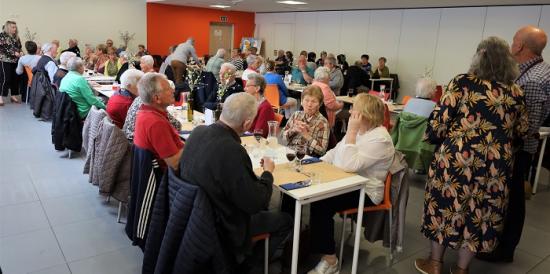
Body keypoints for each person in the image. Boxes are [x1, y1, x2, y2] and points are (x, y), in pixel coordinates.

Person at [415, 36, 528, 274]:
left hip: (457, 159)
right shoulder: (515, 92)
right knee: (481, 214)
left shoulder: (462, 83)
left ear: (478, 58)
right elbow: (522, 131)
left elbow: (439, 124)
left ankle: (435, 264)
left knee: (444, 206)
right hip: (495, 165)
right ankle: (461, 269)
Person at [179, 92, 292, 273]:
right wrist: (267, 174)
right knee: (285, 220)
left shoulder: (198, 132)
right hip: (224, 225)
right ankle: (252, 266)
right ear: (247, 123)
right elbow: (255, 203)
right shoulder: (232, 150)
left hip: (192, 215)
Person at [477, 26, 550, 263]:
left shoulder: (532, 80)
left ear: (519, 46)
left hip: (517, 152)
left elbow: (525, 128)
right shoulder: (533, 73)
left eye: (514, 40)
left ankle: (503, 250)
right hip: (514, 149)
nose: (511, 45)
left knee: (512, 200)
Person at [308, 94, 395, 274]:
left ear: (366, 114)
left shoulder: (380, 139)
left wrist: (352, 132)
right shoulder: (362, 131)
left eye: (355, 109)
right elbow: (335, 152)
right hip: (348, 182)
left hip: (367, 191)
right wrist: (313, 164)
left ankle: (330, 261)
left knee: (321, 202)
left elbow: (348, 165)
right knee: (313, 193)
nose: (351, 112)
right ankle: (316, 240)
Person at [133, 73, 184, 171]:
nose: (173, 90)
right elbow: (174, 164)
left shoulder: (144, 113)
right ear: (157, 98)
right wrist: (194, 143)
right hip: (167, 179)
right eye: (168, 89)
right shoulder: (156, 123)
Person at [282, 86, 330, 157]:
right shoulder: (296, 115)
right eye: (306, 100)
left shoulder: (322, 122)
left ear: (319, 105)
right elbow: (282, 137)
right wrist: (292, 130)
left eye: (313, 101)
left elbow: (322, 150)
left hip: (307, 159)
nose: (309, 105)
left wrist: (306, 135)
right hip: (290, 153)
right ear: (302, 101)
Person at [244, 73, 274, 138]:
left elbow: (258, 134)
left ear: (257, 88)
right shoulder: (252, 103)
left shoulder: (265, 108)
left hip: (253, 142)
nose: (244, 89)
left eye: (247, 86)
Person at [0, 20, 23, 105]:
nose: (15, 29)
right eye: (13, 27)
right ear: (8, 27)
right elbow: (3, 48)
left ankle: (13, 95)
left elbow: (20, 47)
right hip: (4, 60)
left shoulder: (16, 37)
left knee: (15, 78)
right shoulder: (2, 36)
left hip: (15, 60)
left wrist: (21, 52)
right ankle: (1, 97)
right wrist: (14, 53)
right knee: (5, 78)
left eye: (15, 27)